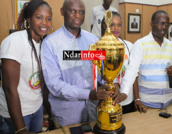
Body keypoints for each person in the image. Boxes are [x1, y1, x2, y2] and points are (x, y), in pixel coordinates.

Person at [41, 0, 116, 127]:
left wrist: (112, 84)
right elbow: (54, 84)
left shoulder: (93, 40)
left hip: (93, 111)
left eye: (81, 12)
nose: (77, 16)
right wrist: (89, 94)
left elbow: (100, 71)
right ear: (62, 12)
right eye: (72, 11)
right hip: (67, 116)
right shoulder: (50, 43)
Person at [0, 0, 53, 133]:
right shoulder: (15, 41)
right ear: (28, 19)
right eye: (39, 17)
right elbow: (9, 88)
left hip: (37, 109)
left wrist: (50, 113)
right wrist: (21, 129)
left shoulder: (43, 44)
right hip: (16, 116)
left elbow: (43, 83)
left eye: (48, 19)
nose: (44, 23)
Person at [120, 10, 172, 112]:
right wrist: (126, 93)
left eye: (167, 24)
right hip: (146, 105)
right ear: (151, 24)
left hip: (168, 102)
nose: (164, 27)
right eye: (161, 23)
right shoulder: (140, 44)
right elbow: (132, 71)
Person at [101, 11, 135, 114]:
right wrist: (114, 85)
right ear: (105, 25)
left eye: (119, 25)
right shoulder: (99, 46)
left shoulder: (129, 46)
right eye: (112, 24)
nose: (116, 28)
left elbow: (133, 73)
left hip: (127, 98)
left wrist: (136, 98)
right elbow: (99, 73)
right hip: (109, 99)